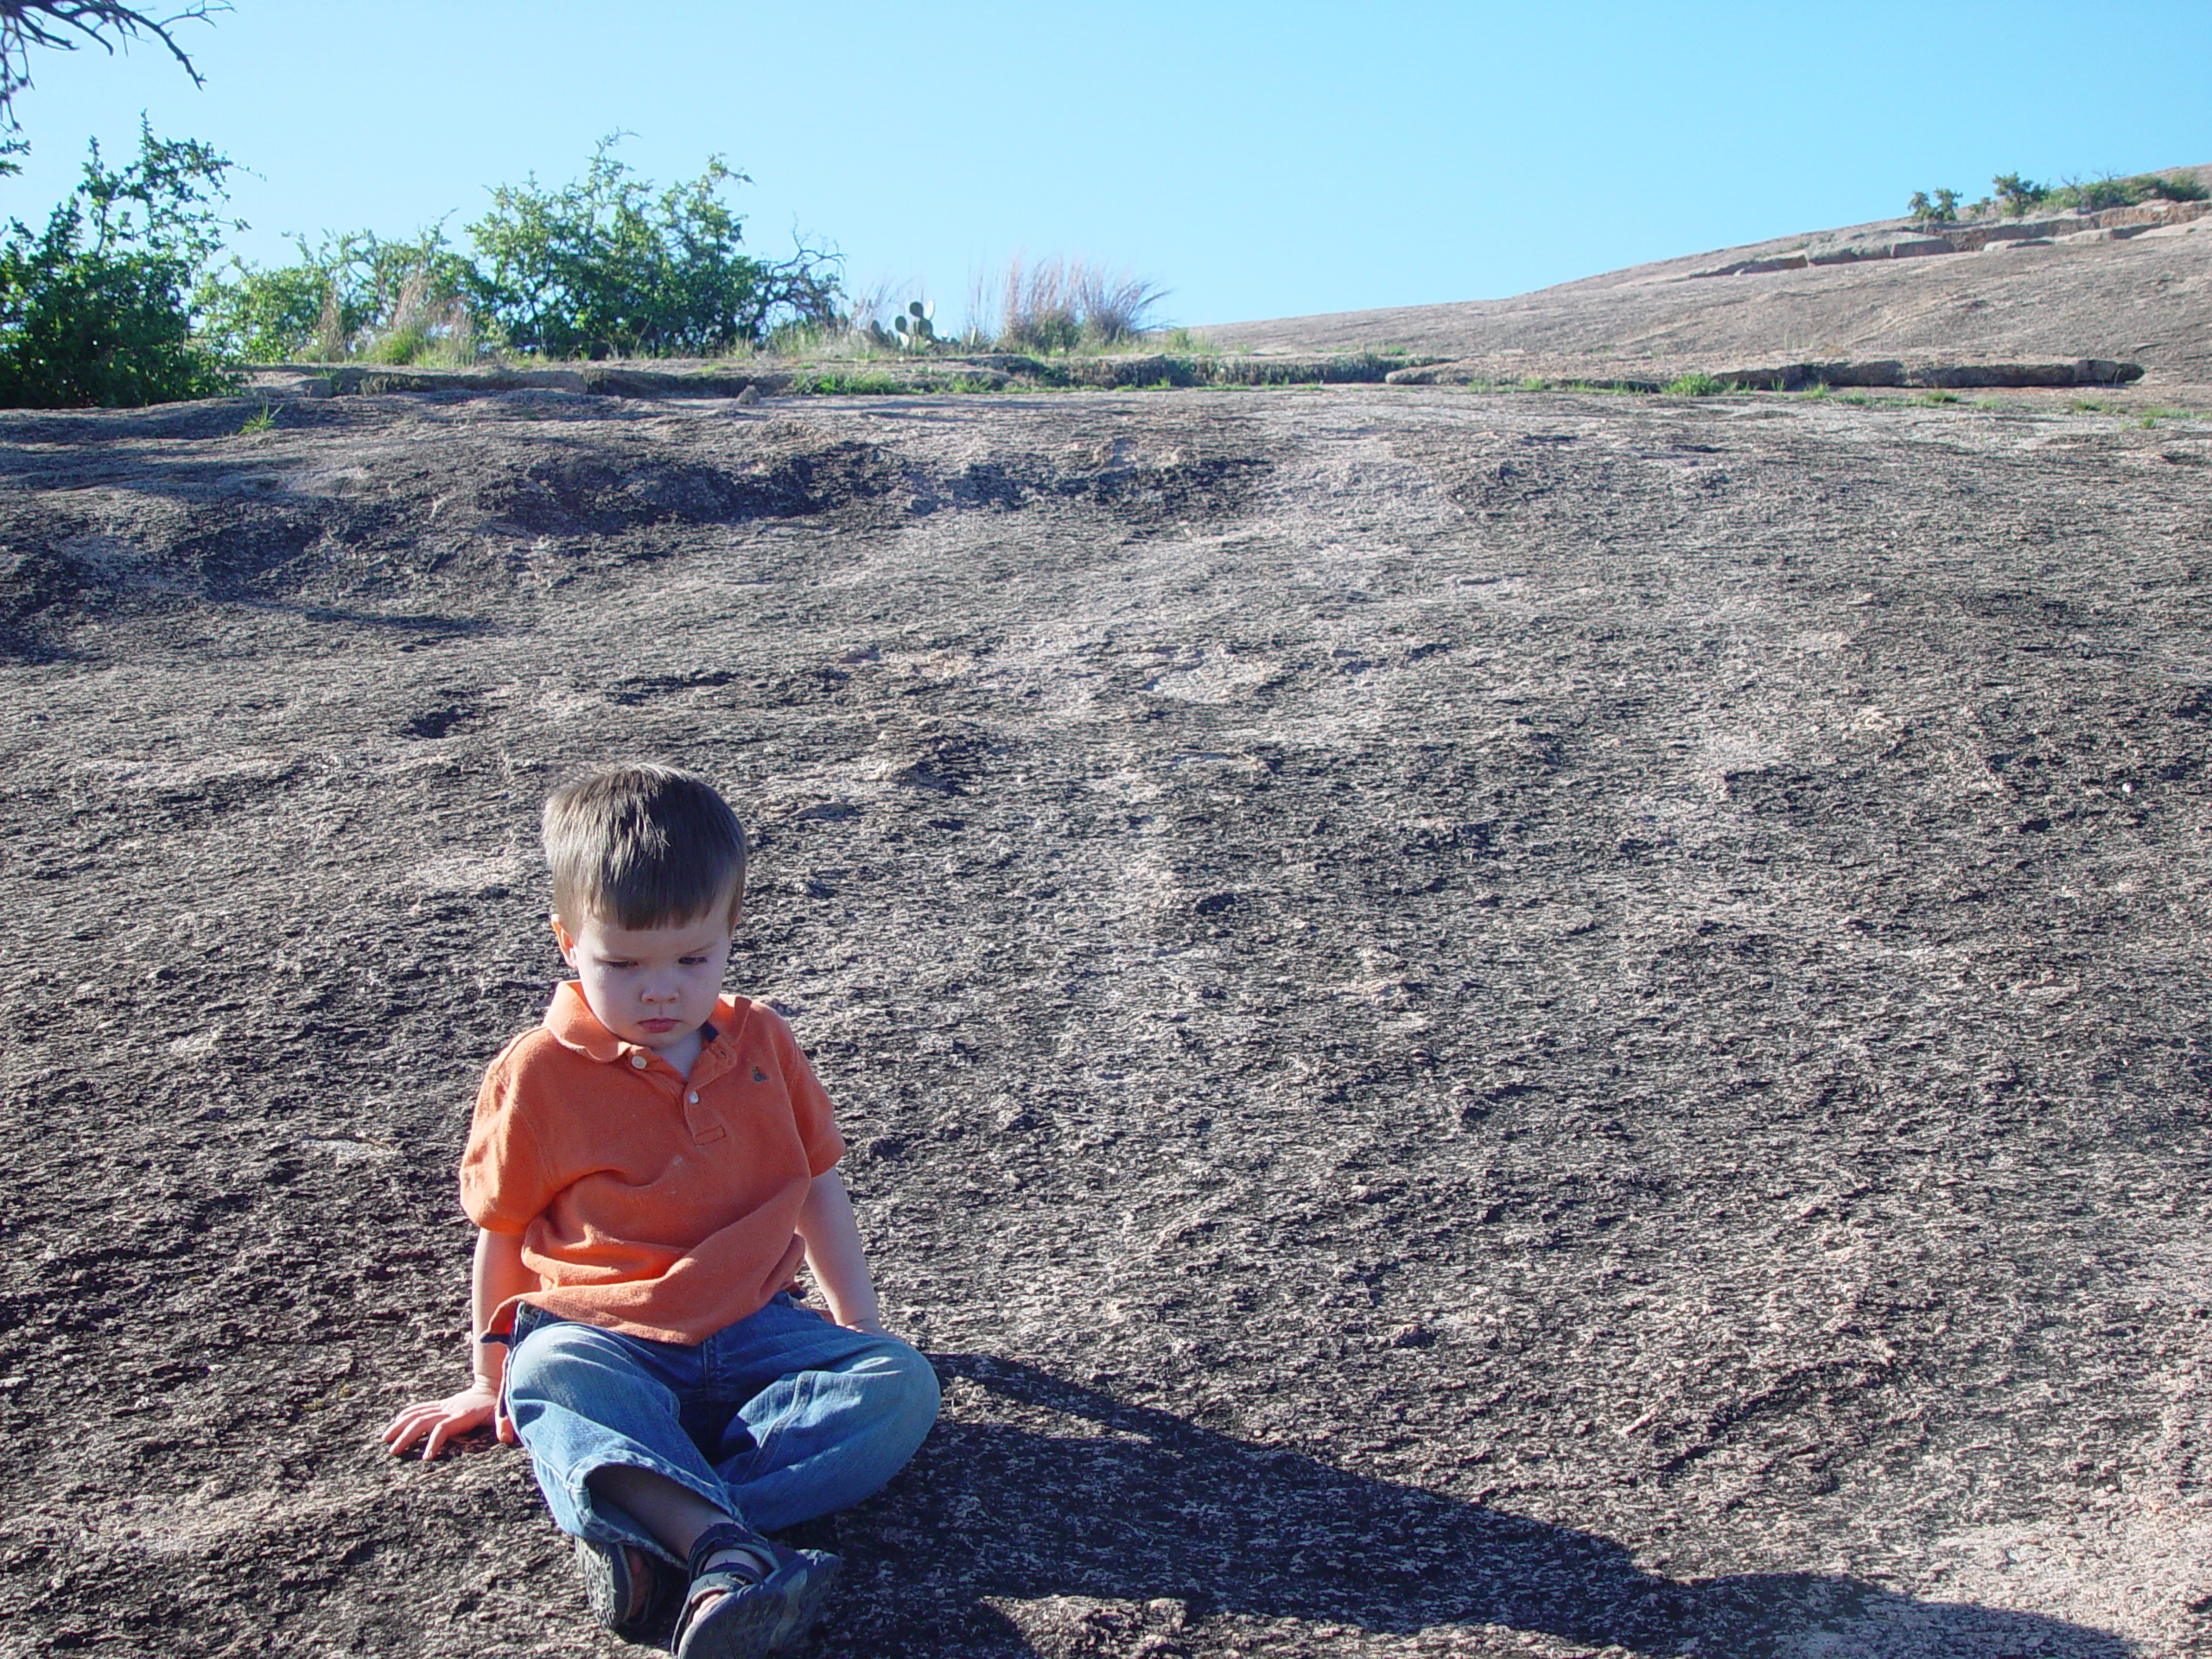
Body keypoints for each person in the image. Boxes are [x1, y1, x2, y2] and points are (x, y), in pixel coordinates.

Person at [382, 764, 938, 1659]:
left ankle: (654, 1526)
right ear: (567, 941)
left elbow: (815, 1187)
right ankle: (721, 1548)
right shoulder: (536, 1074)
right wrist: (489, 1383)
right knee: (549, 1377)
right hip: (609, 1337)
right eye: (624, 963)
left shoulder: (762, 1041)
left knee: (899, 1387)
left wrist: (860, 1326)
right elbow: (505, 1231)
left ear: (730, 933)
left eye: (691, 958)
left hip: (757, 1332)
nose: (660, 991)